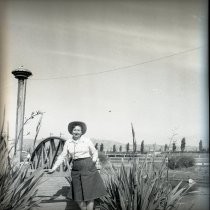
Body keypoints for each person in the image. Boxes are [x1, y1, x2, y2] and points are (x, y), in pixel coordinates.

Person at [46, 121, 107, 210]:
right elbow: (62, 156)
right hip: (76, 167)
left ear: (81, 132)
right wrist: (54, 168)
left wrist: (92, 162)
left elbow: (95, 152)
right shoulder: (68, 142)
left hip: (88, 165)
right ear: (71, 131)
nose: (76, 132)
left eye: (78, 130)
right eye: (74, 130)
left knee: (89, 194)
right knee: (77, 195)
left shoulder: (86, 140)